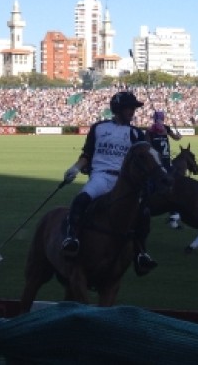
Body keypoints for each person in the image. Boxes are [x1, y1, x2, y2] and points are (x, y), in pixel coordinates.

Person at [61, 91, 160, 275]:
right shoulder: (98, 128)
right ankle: (72, 238)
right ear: (118, 109)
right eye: (130, 108)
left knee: (143, 213)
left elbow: (143, 159)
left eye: (134, 108)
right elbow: (87, 154)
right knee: (81, 200)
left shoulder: (136, 133)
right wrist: (75, 168)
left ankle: (141, 253)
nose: (133, 112)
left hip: (124, 182)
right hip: (100, 177)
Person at [148, 109, 184, 229]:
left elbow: (147, 145)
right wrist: (179, 135)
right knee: (170, 184)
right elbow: (177, 138)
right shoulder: (165, 128)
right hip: (164, 161)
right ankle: (171, 211)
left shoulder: (150, 130)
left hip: (158, 162)